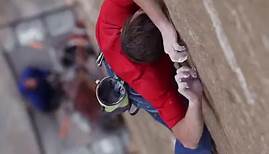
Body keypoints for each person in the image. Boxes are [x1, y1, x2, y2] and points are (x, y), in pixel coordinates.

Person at [96, 0, 213, 153]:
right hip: (138, 90)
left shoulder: (110, 22)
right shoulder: (153, 82)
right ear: (162, 56)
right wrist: (194, 99)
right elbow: (189, 140)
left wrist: (163, 26)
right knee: (199, 147)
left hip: (110, 52)